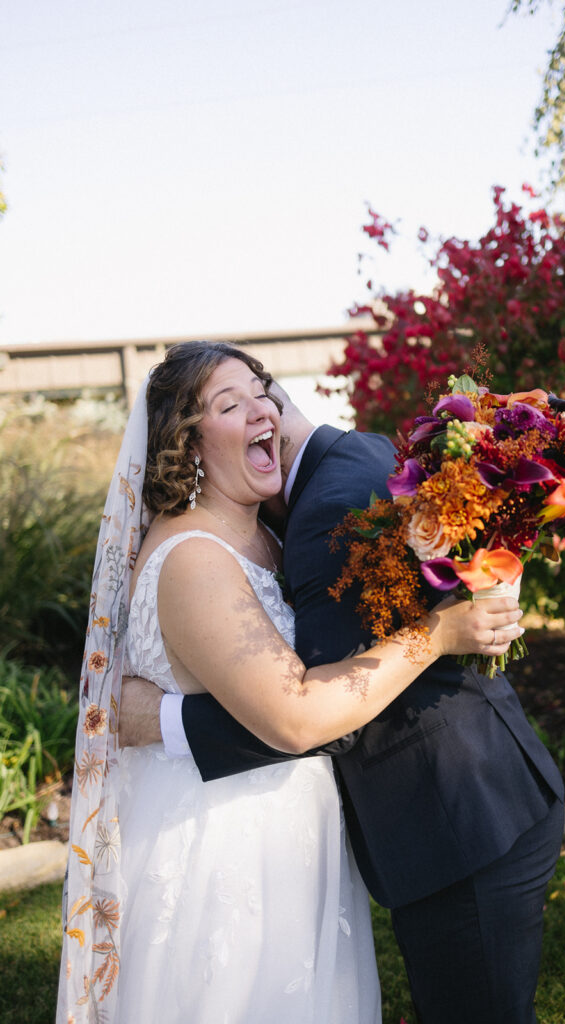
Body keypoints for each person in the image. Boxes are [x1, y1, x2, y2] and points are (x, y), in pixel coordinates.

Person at [57, 340, 525, 1024]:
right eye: (228, 403)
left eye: (260, 389)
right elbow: (296, 715)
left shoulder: (265, 536)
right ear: (185, 446)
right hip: (225, 854)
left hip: (289, 844)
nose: (261, 408)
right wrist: (439, 635)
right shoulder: (192, 556)